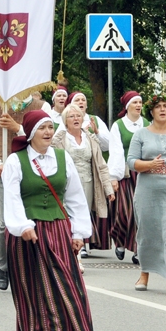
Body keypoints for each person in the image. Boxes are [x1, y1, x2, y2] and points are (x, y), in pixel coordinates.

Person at [2, 110, 93, 331]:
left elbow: (75, 196)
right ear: (30, 133)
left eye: (50, 128)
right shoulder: (16, 161)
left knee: (61, 288)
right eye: (42, 128)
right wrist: (22, 226)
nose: (47, 132)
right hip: (27, 235)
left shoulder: (62, 158)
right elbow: (12, 197)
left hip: (57, 231)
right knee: (30, 290)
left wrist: (78, 232)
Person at [0, 91, 46, 291]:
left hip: (36, 172)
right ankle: (4, 267)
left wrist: (18, 128)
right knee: (6, 223)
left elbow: (47, 138)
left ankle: (35, 268)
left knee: (36, 221)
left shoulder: (42, 107)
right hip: (8, 172)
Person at [127, 92, 166, 297]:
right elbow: (131, 161)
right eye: (158, 106)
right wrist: (149, 164)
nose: (163, 109)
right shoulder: (141, 135)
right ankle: (144, 274)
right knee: (148, 232)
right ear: (151, 111)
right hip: (147, 190)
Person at [52, 104, 115, 258]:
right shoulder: (58, 140)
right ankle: (68, 252)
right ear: (65, 120)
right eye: (72, 116)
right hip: (65, 184)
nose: (76, 119)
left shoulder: (90, 139)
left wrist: (108, 189)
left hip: (87, 183)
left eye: (78, 116)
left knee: (81, 215)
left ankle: (78, 252)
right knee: (66, 216)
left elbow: (101, 165)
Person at [107, 90, 147, 263]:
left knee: (141, 212)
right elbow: (115, 151)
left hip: (143, 172)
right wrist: (113, 176)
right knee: (124, 212)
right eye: (135, 102)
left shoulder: (146, 123)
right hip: (125, 172)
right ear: (127, 106)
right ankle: (120, 240)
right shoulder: (118, 125)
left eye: (140, 102)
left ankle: (138, 249)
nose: (138, 105)